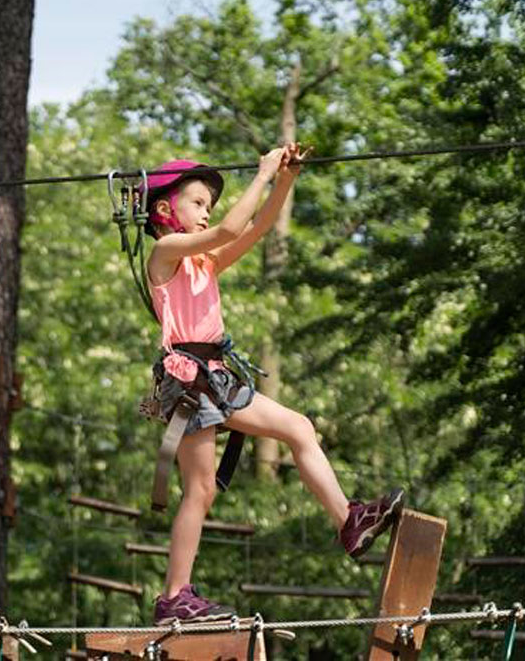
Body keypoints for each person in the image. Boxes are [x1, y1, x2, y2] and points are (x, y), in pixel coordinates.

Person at [142, 146, 404, 623]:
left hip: (214, 376)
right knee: (199, 490)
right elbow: (229, 229)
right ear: (164, 210)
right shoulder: (164, 253)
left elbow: (254, 228)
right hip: (188, 380)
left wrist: (286, 180)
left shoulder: (206, 263)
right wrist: (263, 172)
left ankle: (349, 520)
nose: (207, 215)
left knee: (299, 428)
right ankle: (174, 596)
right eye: (198, 203)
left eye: (208, 207)